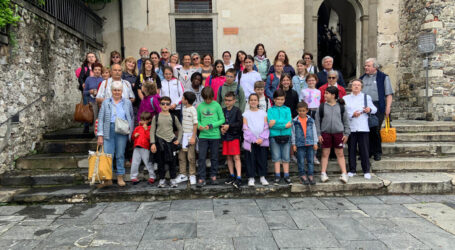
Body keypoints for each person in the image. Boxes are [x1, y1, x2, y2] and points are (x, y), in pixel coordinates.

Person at [97, 81, 135, 188]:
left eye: (119, 90)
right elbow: (101, 119)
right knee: (108, 155)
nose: (117, 92)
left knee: (120, 154)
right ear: (111, 91)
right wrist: (100, 135)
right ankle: (107, 178)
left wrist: (129, 130)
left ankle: (120, 177)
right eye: (115, 90)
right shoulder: (106, 102)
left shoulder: (127, 102)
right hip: (108, 129)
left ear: (122, 91)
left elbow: (131, 117)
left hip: (122, 130)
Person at [360, 58, 394, 161]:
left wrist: (388, 108)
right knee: (366, 129)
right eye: (365, 66)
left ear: (375, 67)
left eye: (368, 66)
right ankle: (367, 152)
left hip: (378, 106)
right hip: (364, 106)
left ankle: (377, 152)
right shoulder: (362, 78)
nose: (366, 67)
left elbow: (389, 94)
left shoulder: (383, 77)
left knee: (375, 129)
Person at [315, 86, 350, 184]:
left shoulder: (341, 107)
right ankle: (323, 173)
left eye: (327, 93)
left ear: (333, 95)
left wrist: (346, 134)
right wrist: (318, 134)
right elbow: (317, 122)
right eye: (324, 93)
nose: (324, 95)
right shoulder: (321, 107)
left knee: (340, 153)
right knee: (325, 154)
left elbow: (346, 121)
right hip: (325, 133)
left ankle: (344, 173)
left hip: (338, 133)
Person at [343, 79, 377, 179]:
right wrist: (352, 114)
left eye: (358, 85)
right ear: (351, 87)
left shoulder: (366, 97)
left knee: (364, 150)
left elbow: (374, 109)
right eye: (354, 85)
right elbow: (343, 113)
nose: (356, 87)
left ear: (361, 87)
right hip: (351, 127)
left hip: (363, 127)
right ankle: (352, 170)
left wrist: (369, 109)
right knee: (351, 150)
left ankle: (366, 170)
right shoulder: (346, 98)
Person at [150, 96, 183, 188]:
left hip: (171, 142)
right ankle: (162, 179)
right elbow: (152, 130)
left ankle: (172, 179)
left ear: (170, 105)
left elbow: (180, 129)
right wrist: (152, 143)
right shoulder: (156, 117)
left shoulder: (173, 117)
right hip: (159, 142)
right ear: (160, 105)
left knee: (172, 162)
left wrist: (178, 140)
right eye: (163, 104)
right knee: (160, 162)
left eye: (167, 104)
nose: (165, 105)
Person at [196, 87, 225, 187]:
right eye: (206, 99)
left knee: (214, 157)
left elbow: (222, 119)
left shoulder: (217, 105)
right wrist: (199, 125)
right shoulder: (200, 106)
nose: (208, 101)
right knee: (201, 157)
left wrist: (212, 125)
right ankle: (201, 177)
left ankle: (213, 176)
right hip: (203, 136)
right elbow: (198, 119)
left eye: (209, 99)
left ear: (213, 97)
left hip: (215, 136)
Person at [243, 93, 270, 187]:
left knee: (262, 158)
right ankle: (251, 177)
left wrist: (261, 138)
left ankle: (262, 176)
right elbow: (245, 128)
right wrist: (253, 139)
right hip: (250, 141)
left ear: (258, 101)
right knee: (250, 159)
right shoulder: (245, 114)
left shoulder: (263, 113)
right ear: (249, 102)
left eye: (255, 100)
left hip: (261, 141)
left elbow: (266, 127)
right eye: (251, 100)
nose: (253, 101)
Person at [268, 89, 293, 186]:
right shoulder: (270, 110)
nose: (280, 101)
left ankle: (286, 175)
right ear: (274, 99)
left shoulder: (287, 109)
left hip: (286, 135)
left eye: (282, 99)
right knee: (276, 156)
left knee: (286, 157)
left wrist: (276, 124)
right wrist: (283, 125)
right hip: (274, 136)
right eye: (278, 99)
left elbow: (289, 122)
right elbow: (270, 124)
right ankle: (277, 176)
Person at [291, 102, 318, 185]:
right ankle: (302, 175)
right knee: (301, 161)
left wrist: (315, 142)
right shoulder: (295, 121)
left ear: (307, 110)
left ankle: (310, 175)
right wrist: (294, 144)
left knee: (310, 160)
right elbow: (293, 133)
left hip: (310, 143)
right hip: (300, 144)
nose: (302, 112)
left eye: (303, 110)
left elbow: (314, 131)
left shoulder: (311, 120)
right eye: (300, 111)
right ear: (297, 111)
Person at [220, 92, 243, 189]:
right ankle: (232, 175)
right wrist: (221, 129)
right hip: (226, 137)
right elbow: (220, 121)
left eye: (229, 100)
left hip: (234, 136)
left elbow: (239, 124)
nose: (227, 102)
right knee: (228, 157)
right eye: (225, 100)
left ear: (234, 101)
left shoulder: (237, 111)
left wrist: (229, 126)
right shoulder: (222, 110)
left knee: (236, 157)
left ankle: (239, 177)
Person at [176, 92, 198, 185]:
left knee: (191, 157)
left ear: (186, 100)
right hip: (183, 135)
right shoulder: (184, 108)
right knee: (181, 156)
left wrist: (193, 137)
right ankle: (183, 174)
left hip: (190, 136)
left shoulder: (193, 110)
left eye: (183, 98)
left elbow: (195, 124)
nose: (182, 99)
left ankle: (192, 175)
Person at [301, 74, 322, 165]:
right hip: (307, 112)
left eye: (313, 80)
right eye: (309, 80)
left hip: (316, 112)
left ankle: (314, 156)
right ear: (306, 82)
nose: (311, 82)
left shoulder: (318, 91)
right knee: (306, 133)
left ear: (316, 81)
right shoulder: (303, 91)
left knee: (315, 134)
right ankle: (305, 155)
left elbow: (319, 102)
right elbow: (301, 102)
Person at [130, 111, 156, 185]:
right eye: (141, 120)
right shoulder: (137, 128)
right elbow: (133, 137)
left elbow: (150, 138)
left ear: (149, 120)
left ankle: (152, 176)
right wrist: (134, 136)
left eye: (144, 120)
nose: (142, 122)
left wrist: (146, 129)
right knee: (135, 162)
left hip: (145, 148)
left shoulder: (150, 128)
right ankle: (133, 177)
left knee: (148, 162)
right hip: (137, 147)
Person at [83, 62, 103, 133]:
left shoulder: (103, 79)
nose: (97, 71)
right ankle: (96, 135)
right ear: (93, 70)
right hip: (92, 102)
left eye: (99, 70)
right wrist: (90, 91)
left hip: (101, 102)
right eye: (95, 69)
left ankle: (100, 134)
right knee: (95, 119)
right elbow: (84, 92)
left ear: (101, 71)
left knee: (101, 118)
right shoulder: (88, 79)